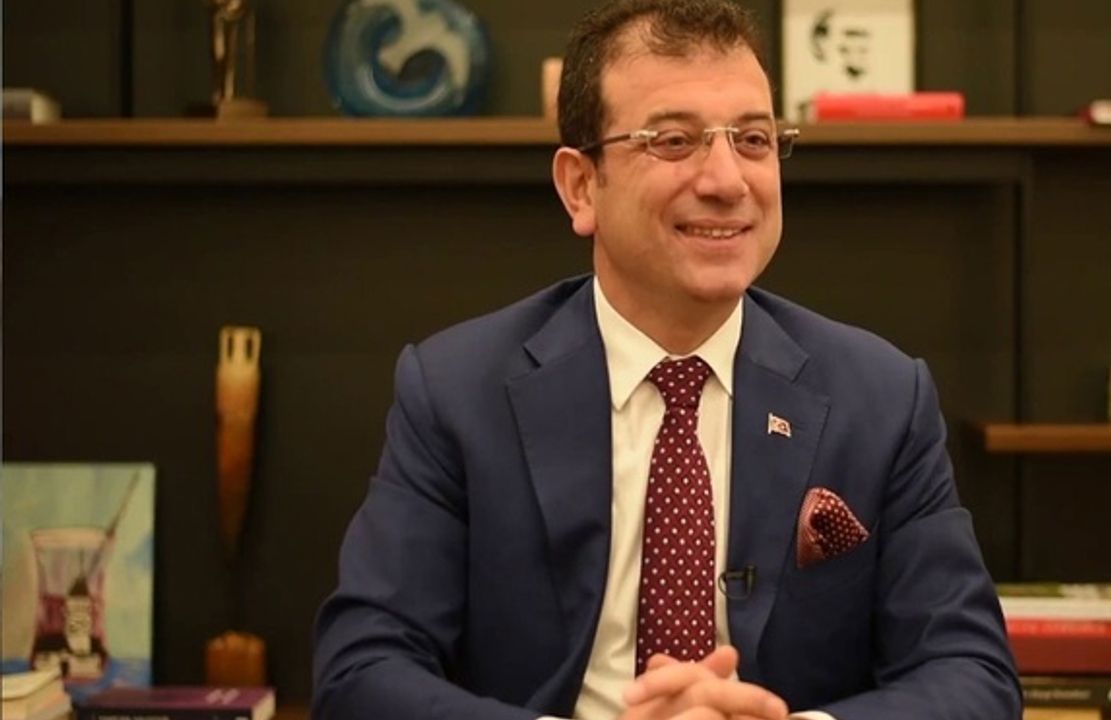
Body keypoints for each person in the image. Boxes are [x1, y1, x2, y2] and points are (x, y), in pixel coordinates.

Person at [312, 0, 1021, 718]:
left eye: (753, 139)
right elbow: (362, 669)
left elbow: (973, 675)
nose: (726, 181)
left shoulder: (883, 398)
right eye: (675, 141)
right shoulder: (457, 392)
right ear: (581, 186)